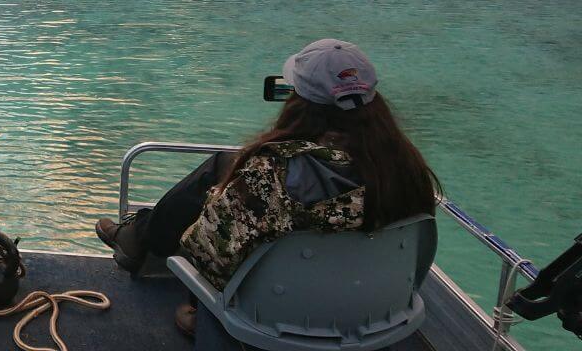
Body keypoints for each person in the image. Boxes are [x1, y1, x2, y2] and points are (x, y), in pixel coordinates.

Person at [95, 38, 439, 335]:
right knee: (223, 167)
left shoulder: (270, 174)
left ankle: (139, 235)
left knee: (220, 175)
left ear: (298, 101)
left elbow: (204, 254)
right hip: (373, 312)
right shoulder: (410, 171)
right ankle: (139, 234)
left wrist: (218, 202)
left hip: (274, 319)